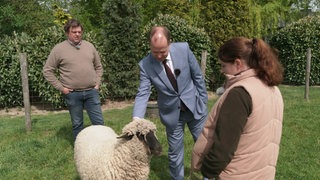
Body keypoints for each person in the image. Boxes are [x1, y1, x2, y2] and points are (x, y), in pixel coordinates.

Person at [191, 37, 284, 180]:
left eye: (223, 66)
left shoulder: (240, 94)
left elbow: (223, 148)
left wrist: (208, 171)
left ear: (238, 63)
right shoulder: (273, 89)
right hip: (263, 173)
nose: (222, 71)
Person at [132, 26, 208, 180]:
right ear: (149, 45)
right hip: (172, 115)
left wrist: (203, 100)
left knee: (205, 148)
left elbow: (198, 76)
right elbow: (143, 92)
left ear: (170, 43)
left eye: (163, 51)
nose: (159, 55)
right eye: (155, 52)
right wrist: (137, 118)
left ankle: (209, 177)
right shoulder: (145, 65)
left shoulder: (184, 49)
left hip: (195, 108)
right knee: (175, 154)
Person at [43, 19, 104, 139]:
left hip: (92, 92)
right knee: (77, 124)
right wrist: (62, 88)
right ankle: (79, 150)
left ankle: (103, 148)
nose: (77, 34)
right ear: (67, 33)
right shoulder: (59, 49)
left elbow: (99, 67)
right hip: (72, 94)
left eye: (79, 32)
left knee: (99, 123)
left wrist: (97, 83)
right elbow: (47, 71)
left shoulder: (89, 46)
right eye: (74, 32)